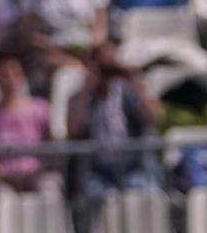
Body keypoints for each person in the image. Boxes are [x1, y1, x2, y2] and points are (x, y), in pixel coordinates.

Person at [67, 38, 163, 194]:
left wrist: (137, 83)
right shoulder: (81, 97)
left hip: (133, 169)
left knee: (148, 193)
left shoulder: (130, 92)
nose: (108, 74)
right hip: (96, 172)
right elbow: (73, 130)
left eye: (112, 66)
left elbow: (154, 120)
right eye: (104, 68)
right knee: (94, 194)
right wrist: (86, 88)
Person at [0, 53, 60, 195]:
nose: (11, 79)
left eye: (15, 73)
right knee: (0, 196)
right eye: (5, 75)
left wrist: (35, 172)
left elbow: (51, 150)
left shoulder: (42, 109)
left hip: (37, 176)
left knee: (50, 189)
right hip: (1, 180)